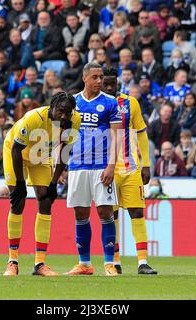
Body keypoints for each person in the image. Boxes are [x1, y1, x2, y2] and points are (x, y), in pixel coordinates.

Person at [3, 92, 80, 276]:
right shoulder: (33, 118)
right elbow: (16, 148)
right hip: (16, 155)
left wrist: (54, 183)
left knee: (46, 202)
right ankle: (12, 261)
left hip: (41, 156)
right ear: (52, 107)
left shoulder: (74, 120)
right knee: (18, 203)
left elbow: (64, 152)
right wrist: (21, 184)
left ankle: (40, 263)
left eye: (67, 113)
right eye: (60, 111)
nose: (63, 116)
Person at [65, 62, 122, 276]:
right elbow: (64, 135)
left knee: (105, 211)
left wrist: (111, 166)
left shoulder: (110, 103)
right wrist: (60, 166)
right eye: (95, 77)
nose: (100, 81)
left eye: (101, 77)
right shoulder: (74, 102)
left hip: (101, 167)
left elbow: (117, 136)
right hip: (77, 165)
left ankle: (109, 263)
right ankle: (85, 264)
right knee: (80, 213)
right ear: (85, 78)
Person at [101, 66, 157, 275]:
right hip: (106, 171)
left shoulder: (130, 103)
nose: (108, 87)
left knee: (137, 213)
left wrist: (146, 164)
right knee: (111, 216)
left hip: (131, 167)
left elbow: (141, 134)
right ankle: (115, 262)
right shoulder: (94, 106)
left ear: (117, 83)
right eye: (104, 83)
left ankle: (142, 262)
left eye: (111, 84)